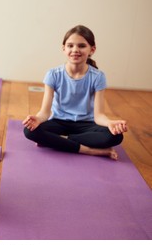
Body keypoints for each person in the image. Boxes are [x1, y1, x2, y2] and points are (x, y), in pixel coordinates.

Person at [23, 25, 128, 160]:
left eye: (82, 46)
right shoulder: (53, 74)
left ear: (92, 50)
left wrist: (109, 123)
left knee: (115, 136)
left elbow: (99, 116)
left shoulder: (98, 76)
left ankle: (58, 141)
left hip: (86, 125)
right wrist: (37, 118)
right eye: (70, 46)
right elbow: (45, 112)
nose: (75, 50)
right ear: (63, 48)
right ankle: (90, 151)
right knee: (30, 131)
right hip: (58, 122)